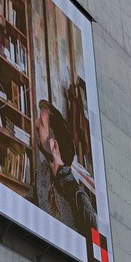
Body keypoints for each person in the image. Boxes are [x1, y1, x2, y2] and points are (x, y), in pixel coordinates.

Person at [33, 100, 96, 237]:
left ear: (54, 146)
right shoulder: (42, 172)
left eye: (41, 124)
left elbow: (98, 243)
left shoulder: (77, 197)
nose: (36, 125)